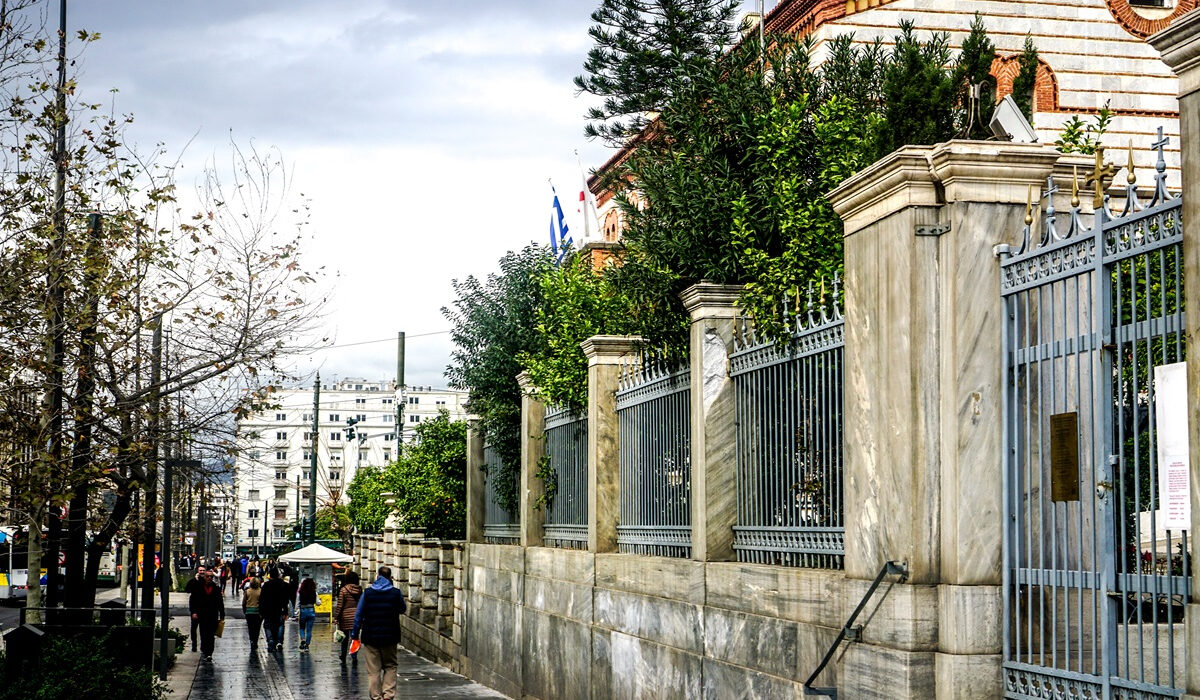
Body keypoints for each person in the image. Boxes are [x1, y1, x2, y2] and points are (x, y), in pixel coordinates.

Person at [352, 566, 407, 700]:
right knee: (390, 666)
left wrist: (354, 634)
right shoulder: (395, 593)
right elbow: (402, 609)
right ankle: (388, 694)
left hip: (370, 637)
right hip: (390, 636)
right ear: (390, 578)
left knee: (373, 670)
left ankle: (376, 697)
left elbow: (358, 615)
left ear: (377, 576)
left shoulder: (368, 593)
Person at [189, 567, 225, 662]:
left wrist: (222, 615)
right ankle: (204, 650)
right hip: (202, 614)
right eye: (207, 576)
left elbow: (220, 602)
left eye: (210, 576)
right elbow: (193, 600)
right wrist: (194, 612)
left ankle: (209, 652)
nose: (209, 578)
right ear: (204, 577)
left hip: (212, 615)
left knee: (211, 634)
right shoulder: (199, 587)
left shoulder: (216, 588)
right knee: (204, 633)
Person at [333, 570, 363, 663]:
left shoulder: (344, 590)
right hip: (356, 617)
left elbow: (340, 605)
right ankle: (354, 656)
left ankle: (343, 656)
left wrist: (336, 617)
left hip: (345, 617)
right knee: (355, 638)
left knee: (344, 638)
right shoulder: (360, 590)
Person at [259, 567, 290, 652]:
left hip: (268, 609)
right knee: (280, 625)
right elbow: (286, 599)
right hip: (280, 608)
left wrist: (261, 611)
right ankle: (279, 642)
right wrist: (286, 611)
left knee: (267, 626)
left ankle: (270, 640)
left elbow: (262, 599)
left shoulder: (266, 585)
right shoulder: (284, 584)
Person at [184, 566, 206, 652]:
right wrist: (195, 581)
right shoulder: (193, 581)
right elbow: (188, 590)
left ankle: (203, 646)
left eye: (203, 570)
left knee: (203, 629)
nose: (202, 572)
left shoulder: (207, 581)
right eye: (200, 570)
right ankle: (194, 645)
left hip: (204, 609)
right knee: (194, 628)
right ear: (197, 571)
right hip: (195, 608)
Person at [242, 576, 263, 652]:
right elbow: (262, 603)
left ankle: (251, 640)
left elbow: (244, 602)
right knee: (257, 628)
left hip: (249, 612)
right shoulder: (261, 591)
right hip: (258, 612)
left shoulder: (247, 591)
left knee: (250, 628)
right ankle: (255, 641)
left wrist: (245, 611)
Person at [296, 576, 317, 650]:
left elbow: (298, 602)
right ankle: (307, 645)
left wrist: (296, 611)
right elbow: (317, 602)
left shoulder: (300, 592)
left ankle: (303, 640)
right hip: (311, 610)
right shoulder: (314, 592)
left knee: (302, 627)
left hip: (303, 610)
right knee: (309, 629)